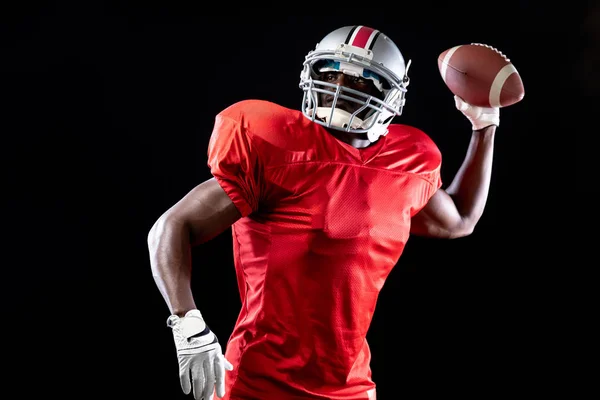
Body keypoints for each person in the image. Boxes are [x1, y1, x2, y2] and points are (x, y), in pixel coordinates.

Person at [148, 25, 500, 400]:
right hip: (259, 383)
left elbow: (461, 218)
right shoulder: (274, 145)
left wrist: (484, 126)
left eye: (362, 81)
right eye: (331, 74)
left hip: (350, 385)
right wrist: (188, 324)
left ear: (391, 93)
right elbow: (172, 225)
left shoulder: (408, 161)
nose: (339, 88)